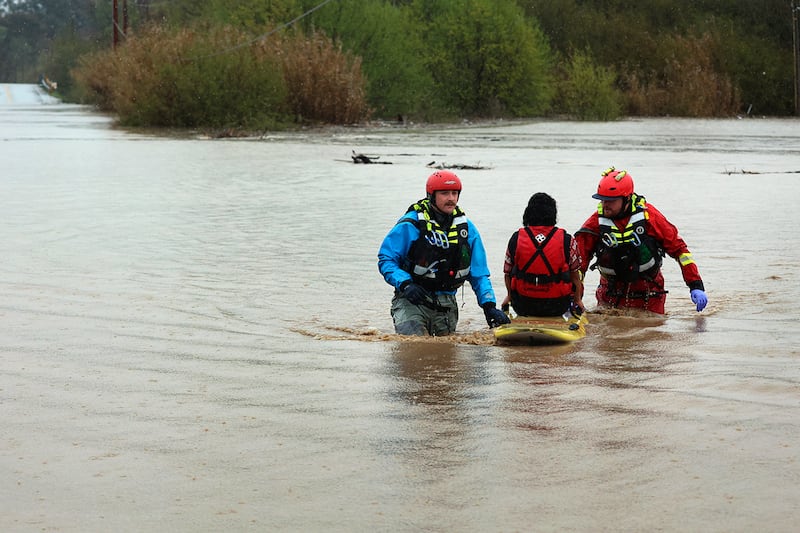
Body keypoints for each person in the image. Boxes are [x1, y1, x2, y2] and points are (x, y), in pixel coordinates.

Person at [378, 170, 510, 336]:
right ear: (431, 195)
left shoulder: (467, 229)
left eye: (455, 193)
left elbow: (479, 274)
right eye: (445, 193)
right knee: (414, 345)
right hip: (412, 300)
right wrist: (405, 284)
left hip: (446, 305)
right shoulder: (411, 224)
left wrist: (489, 306)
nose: (451, 198)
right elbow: (386, 259)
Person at [574, 166, 708, 314]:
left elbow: (680, 251)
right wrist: (574, 297)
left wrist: (696, 285)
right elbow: (578, 265)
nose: (605, 204)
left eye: (611, 200)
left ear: (626, 198)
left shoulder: (650, 218)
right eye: (603, 199)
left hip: (649, 295)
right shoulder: (595, 224)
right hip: (610, 295)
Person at [501, 192, 584, 317]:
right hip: (557, 306)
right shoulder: (567, 240)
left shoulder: (516, 238)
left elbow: (507, 273)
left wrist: (509, 296)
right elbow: (575, 277)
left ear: (527, 213)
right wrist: (577, 300)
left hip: (522, 306)